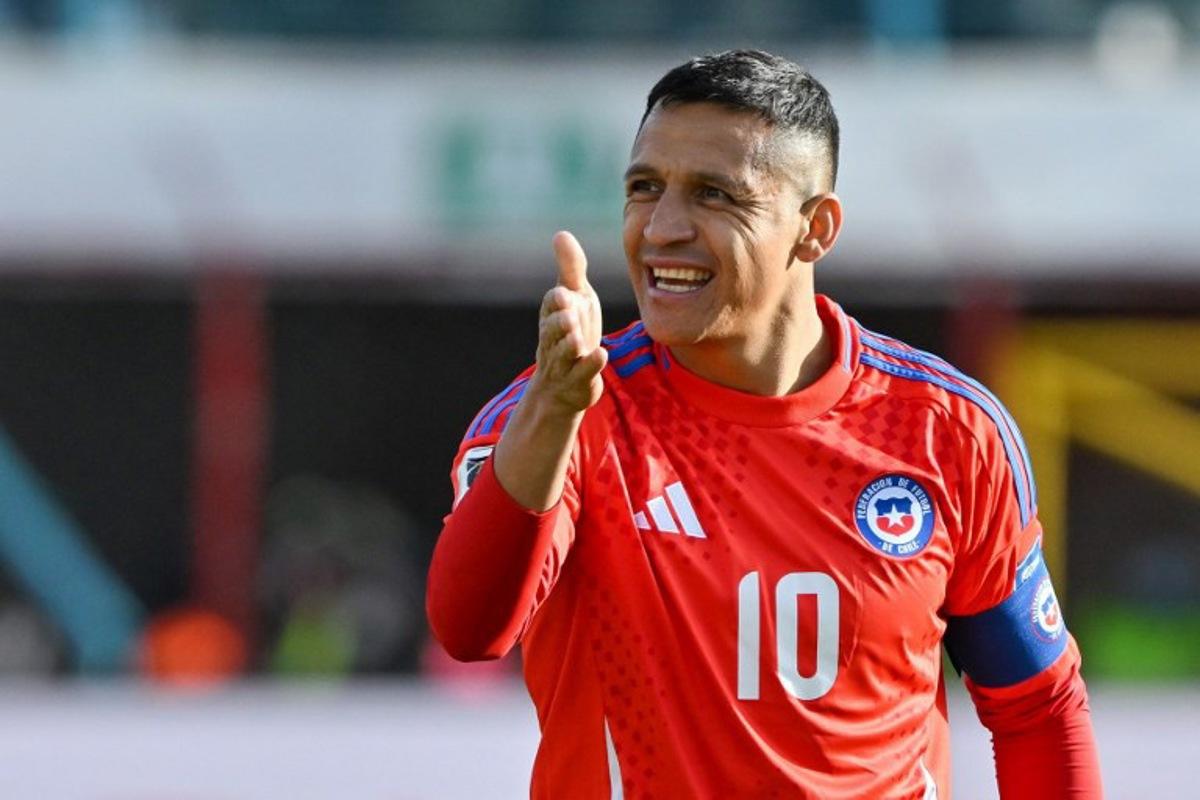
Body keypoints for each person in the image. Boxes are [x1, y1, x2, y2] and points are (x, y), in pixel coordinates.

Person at [427, 49, 1102, 799]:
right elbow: (470, 629)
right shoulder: (567, 414)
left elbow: (1036, 709)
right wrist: (551, 412)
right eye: (644, 188)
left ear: (815, 228)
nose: (663, 228)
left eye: (715, 195)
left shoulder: (948, 431)